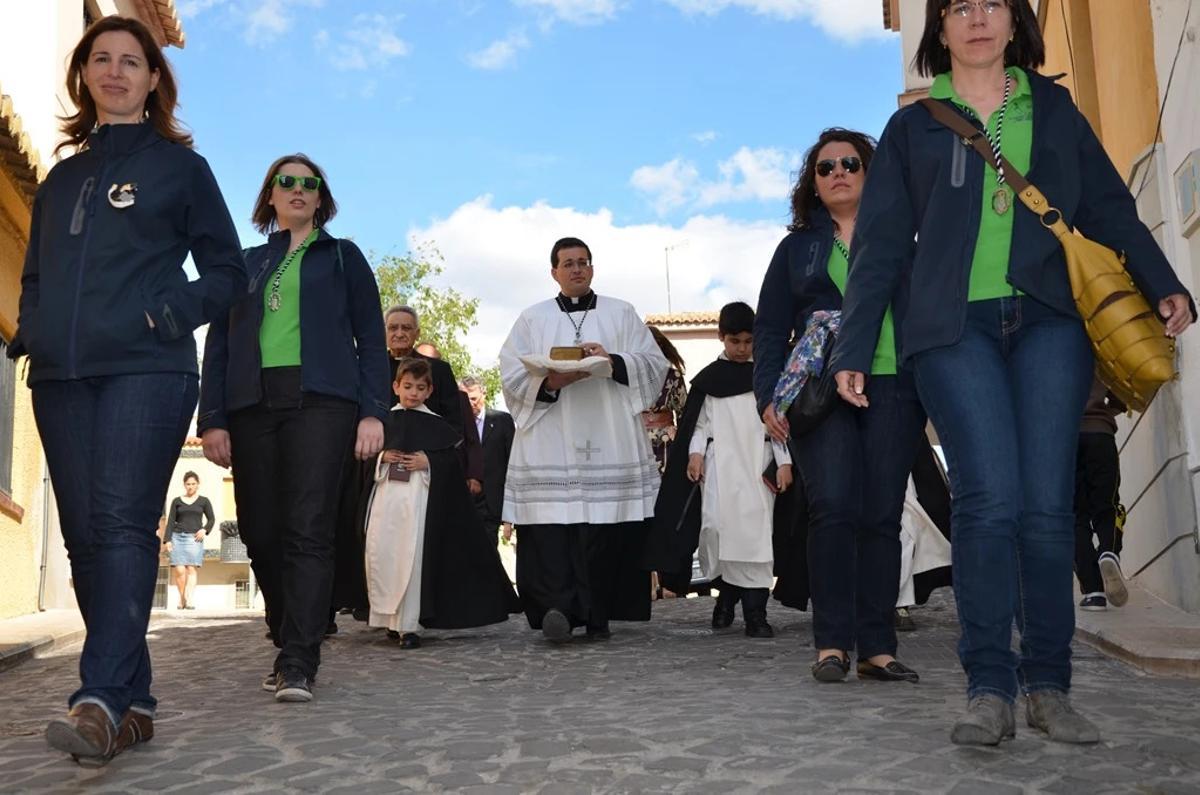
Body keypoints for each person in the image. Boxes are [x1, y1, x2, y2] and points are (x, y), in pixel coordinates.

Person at [830, 0, 1194, 746]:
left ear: (1013, 20)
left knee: (1046, 507)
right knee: (988, 499)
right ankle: (989, 687)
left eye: (992, 3)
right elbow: (881, 244)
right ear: (939, 28)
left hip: (1051, 320)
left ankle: (1049, 687)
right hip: (951, 329)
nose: (977, 18)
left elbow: (1107, 206)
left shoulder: (1053, 108)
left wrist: (1162, 279)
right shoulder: (913, 128)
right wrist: (855, 347)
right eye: (959, 7)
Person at [8, 15, 247, 765]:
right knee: (85, 539)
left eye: (131, 60)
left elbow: (227, 272)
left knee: (118, 525)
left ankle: (100, 698)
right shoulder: (61, 179)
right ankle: (135, 703)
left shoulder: (181, 169)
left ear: (152, 80)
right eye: (101, 58)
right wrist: (34, 330)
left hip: (148, 368)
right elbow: (37, 275)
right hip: (61, 375)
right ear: (85, 75)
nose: (115, 71)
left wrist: (163, 314)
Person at [199, 153, 390, 704]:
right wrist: (212, 418)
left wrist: (373, 411)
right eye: (287, 182)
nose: (298, 189)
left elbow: (370, 338)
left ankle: (299, 659)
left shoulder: (343, 256)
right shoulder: (247, 263)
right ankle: (287, 633)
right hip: (252, 404)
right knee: (260, 530)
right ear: (271, 195)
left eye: (310, 183)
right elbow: (220, 345)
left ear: (320, 198)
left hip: (323, 403)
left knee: (309, 528)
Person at [756, 128, 926, 686]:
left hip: (894, 385)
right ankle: (831, 644)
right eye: (825, 167)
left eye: (850, 163)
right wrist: (767, 396)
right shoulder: (796, 249)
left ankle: (877, 646)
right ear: (813, 183)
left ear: (871, 173)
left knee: (881, 514)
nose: (838, 173)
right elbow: (769, 327)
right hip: (820, 392)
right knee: (831, 508)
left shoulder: (902, 237)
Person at [499, 237, 669, 642]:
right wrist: (550, 382)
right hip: (550, 436)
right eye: (568, 263)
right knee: (553, 529)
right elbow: (510, 373)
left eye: (583, 262)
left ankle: (598, 614)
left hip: (608, 433)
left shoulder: (621, 312)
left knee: (604, 530)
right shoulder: (532, 318)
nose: (576, 269)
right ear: (554, 272)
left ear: (592, 268)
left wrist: (612, 361)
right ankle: (558, 610)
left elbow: (654, 364)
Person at [648, 302, 793, 637]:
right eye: (735, 341)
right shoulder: (709, 381)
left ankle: (756, 614)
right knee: (715, 531)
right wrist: (695, 455)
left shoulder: (767, 377)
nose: (742, 348)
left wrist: (784, 462)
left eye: (748, 341)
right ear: (721, 337)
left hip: (757, 467)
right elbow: (699, 425)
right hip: (719, 469)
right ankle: (726, 597)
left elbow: (779, 424)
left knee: (756, 538)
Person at [363, 358, 520, 648]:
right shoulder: (382, 421)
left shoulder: (437, 425)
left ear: (429, 391)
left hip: (419, 503)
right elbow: (363, 461)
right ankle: (389, 619)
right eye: (407, 386)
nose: (413, 393)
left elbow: (451, 464)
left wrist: (429, 461)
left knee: (413, 559)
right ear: (396, 387)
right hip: (386, 503)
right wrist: (382, 457)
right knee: (384, 555)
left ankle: (409, 625)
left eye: (419, 388)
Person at [1074, 378, 1127, 611]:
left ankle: (1093, 592)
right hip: (1101, 436)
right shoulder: (1102, 356)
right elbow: (1122, 398)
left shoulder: (1046, 357)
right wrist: (1102, 411)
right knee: (1108, 506)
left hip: (1065, 440)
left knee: (1074, 517)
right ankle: (1108, 551)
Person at [384, 307, 462, 436]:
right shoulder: (371, 369)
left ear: (417, 333)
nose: (399, 334)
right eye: (393, 328)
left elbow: (453, 422)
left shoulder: (439, 370)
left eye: (406, 328)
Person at [463, 376, 516, 543]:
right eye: (464, 399)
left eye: (473, 399)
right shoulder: (454, 425)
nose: (469, 404)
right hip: (461, 502)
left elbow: (511, 463)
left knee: (488, 551)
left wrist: (509, 515)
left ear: (483, 394)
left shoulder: (502, 421)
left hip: (491, 503)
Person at [164, 472, 215, 610]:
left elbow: (211, 519)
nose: (190, 486)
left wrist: (204, 530)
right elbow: (170, 521)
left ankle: (190, 598)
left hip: (194, 538)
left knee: (191, 568)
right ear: (184, 485)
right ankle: (182, 598)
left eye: (193, 484)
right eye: (188, 484)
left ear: (198, 484)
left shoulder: (204, 501)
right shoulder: (177, 501)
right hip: (177, 537)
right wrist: (167, 540)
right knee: (179, 569)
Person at [642, 325, 688, 474]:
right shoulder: (629, 376)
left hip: (666, 443)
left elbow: (684, 414)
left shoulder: (673, 376)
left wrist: (681, 442)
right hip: (636, 441)